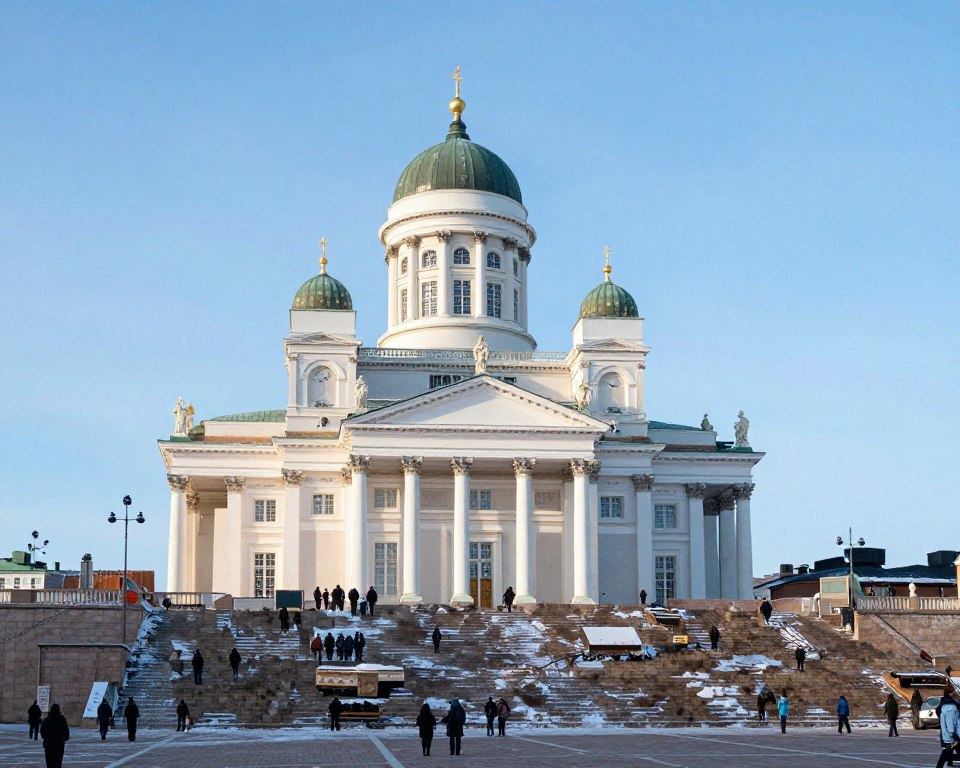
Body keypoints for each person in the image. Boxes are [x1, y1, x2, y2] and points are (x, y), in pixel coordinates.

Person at [39, 703, 69, 768]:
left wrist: (46, 738)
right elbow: (66, 731)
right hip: (59, 744)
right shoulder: (62, 719)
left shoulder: (46, 720)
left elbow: (42, 731)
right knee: (58, 761)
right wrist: (64, 738)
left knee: (49, 762)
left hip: (48, 744)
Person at [937, 687, 960, 768]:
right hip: (952, 736)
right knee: (946, 752)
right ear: (951, 694)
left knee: (946, 752)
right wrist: (953, 734)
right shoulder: (950, 706)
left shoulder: (948, 704)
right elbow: (950, 722)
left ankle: (944, 765)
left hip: (951, 735)